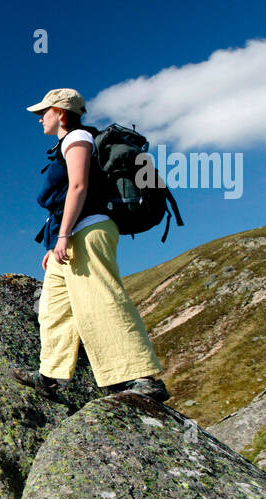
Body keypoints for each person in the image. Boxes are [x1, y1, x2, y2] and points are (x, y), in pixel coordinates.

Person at [9, 88, 169, 403]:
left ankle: (143, 377)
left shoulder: (77, 138)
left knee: (101, 299)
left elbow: (79, 186)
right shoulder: (67, 142)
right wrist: (56, 241)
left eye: (45, 111)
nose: (40, 118)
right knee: (54, 308)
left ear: (62, 114)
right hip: (70, 234)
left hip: (87, 231)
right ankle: (49, 376)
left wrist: (66, 234)